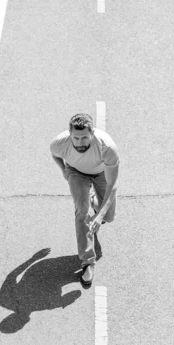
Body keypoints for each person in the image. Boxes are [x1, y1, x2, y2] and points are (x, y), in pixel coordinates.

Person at [50, 113, 119, 286]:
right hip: (76, 172)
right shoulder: (60, 143)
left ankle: (95, 203)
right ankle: (88, 262)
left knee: (109, 217)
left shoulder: (107, 147)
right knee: (81, 211)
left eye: (84, 138)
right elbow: (54, 154)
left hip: (102, 173)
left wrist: (100, 215)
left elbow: (113, 184)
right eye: (76, 138)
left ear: (93, 133)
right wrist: (63, 170)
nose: (80, 142)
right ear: (69, 134)